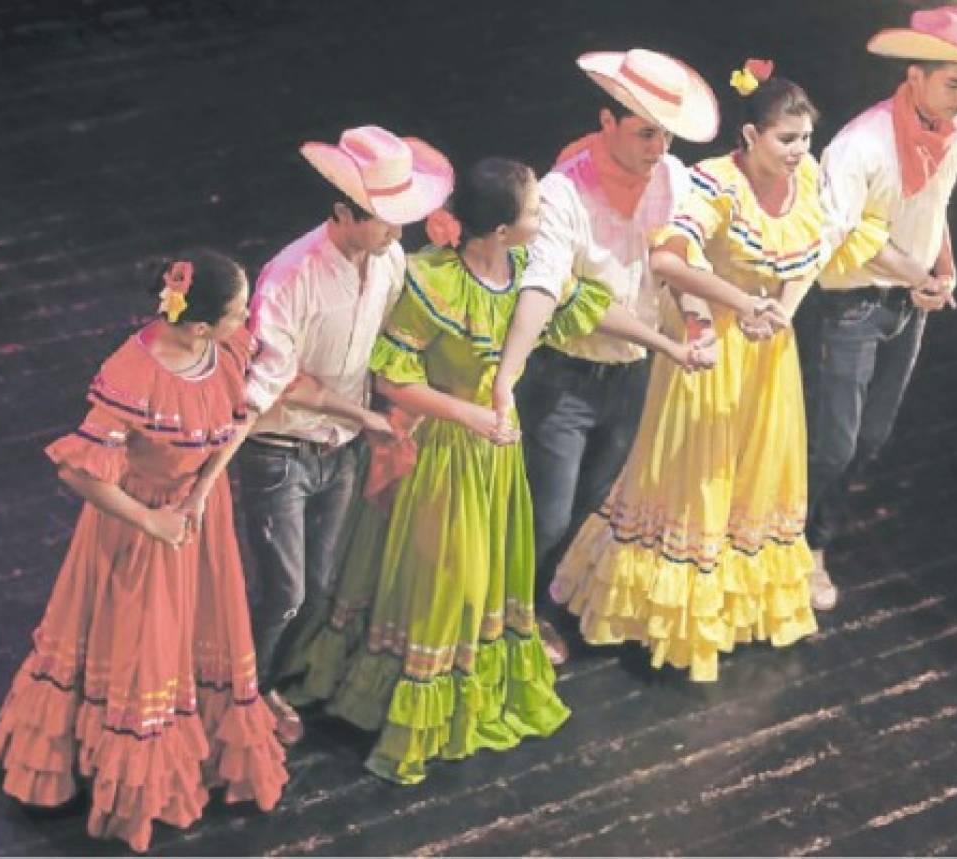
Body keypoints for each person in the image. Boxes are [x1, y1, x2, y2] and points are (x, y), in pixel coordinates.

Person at [298, 156, 704, 785]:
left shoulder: (524, 272)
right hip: (440, 451)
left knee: (482, 575)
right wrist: (470, 414)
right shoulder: (434, 283)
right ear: (499, 230)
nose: (543, 219)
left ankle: (462, 691)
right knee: (442, 578)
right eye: (535, 210)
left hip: (494, 452)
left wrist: (671, 346)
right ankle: (410, 705)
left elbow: (588, 310)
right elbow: (392, 379)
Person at [551, 59, 883, 682]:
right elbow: (671, 262)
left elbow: (809, 257)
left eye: (805, 138)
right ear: (751, 136)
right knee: (697, 478)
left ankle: (738, 607)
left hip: (766, 351)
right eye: (786, 139)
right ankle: (668, 614)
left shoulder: (805, 179)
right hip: (710, 345)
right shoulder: (714, 184)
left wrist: (780, 312)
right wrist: (741, 306)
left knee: (755, 475)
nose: (798, 150)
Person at [0, 250, 288, 853]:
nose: (246, 318)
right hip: (139, 526)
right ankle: (130, 786)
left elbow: (242, 418)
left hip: (198, 516)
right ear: (199, 323)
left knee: (197, 632)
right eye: (236, 310)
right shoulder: (134, 372)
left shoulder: (224, 350)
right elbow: (79, 472)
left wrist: (201, 490)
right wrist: (153, 520)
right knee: (142, 645)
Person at [492, 48, 722, 665]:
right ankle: (516, 619)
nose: (657, 146)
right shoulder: (564, 192)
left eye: (664, 133)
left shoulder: (672, 177)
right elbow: (557, 291)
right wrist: (507, 375)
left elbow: (679, 259)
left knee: (587, 502)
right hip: (565, 377)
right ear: (607, 122)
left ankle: (527, 602)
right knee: (546, 513)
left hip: (628, 378)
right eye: (645, 132)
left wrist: (698, 319)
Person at [799, 6, 957, 610]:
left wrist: (944, 265)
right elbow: (835, 238)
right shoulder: (862, 146)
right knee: (833, 445)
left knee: (870, 438)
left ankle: (812, 537)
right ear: (915, 78)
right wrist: (917, 270)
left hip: (909, 305)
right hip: (850, 305)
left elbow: (935, 206)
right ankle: (796, 546)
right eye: (954, 83)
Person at [238, 126, 453, 745]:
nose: (395, 232)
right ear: (342, 212)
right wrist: (361, 415)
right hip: (281, 451)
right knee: (285, 591)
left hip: (340, 450)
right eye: (384, 219)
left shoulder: (387, 259)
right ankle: (243, 694)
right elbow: (277, 382)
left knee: (322, 584)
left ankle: (269, 679)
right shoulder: (290, 277)